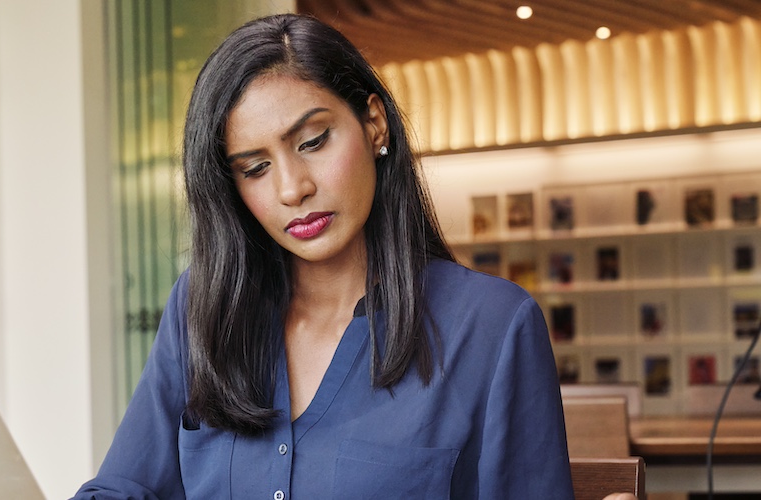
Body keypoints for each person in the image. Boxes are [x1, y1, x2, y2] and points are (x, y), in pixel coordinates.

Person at [75, 14, 573, 499]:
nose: (293, 188)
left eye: (313, 142)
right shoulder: (203, 308)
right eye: (254, 168)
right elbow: (124, 486)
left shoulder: (492, 327)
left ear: (374, 124)